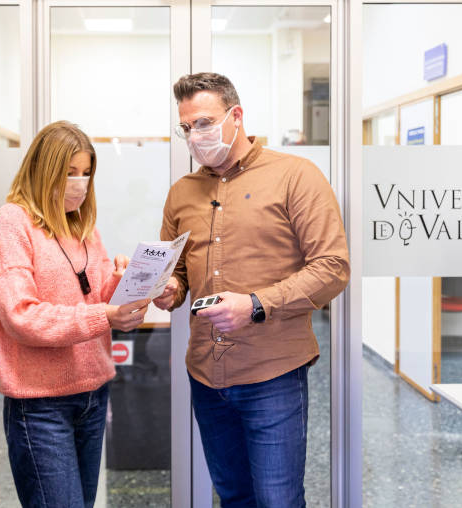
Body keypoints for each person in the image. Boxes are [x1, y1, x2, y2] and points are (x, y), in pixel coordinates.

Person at [155, 73, 350, 507]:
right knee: (234, 497)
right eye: (186, 128)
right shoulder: (182, 193)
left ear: (235, 116)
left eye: (203, 123)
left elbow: (333, 267)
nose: (194, 136)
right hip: (207, 372)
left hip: (273, 374)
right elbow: (179, 272)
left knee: (278, 500)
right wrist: (170, 288)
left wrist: (258, 304)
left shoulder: (295, 176)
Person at [0, 121, 150, 508]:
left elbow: (95, 295)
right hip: (41, 405)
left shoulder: (82, 226)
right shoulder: (13, 222)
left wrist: (123, 283)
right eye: (70, 173)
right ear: (44, 172)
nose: (80, 183)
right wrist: (106, 317)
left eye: (87, 172)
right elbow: (21, 316)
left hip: (92, 392)